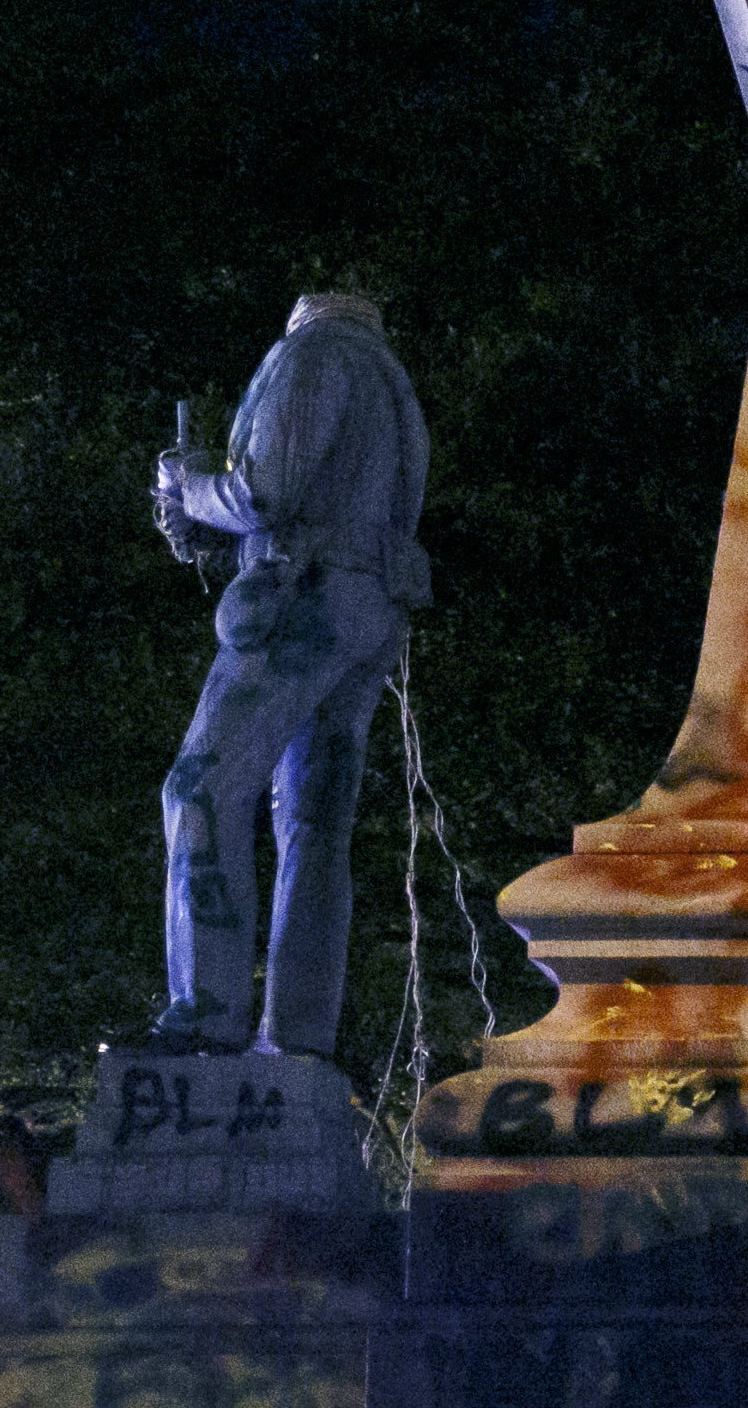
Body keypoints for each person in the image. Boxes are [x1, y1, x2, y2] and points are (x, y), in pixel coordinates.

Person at [147, 293, 430, 1056]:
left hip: (303, 604)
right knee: (313, 821)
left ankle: (204, 1017)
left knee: (201, 788)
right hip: (370, 609)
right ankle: (300, 1036)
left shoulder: (313, 355)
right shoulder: (391, 381)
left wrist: (193, 490)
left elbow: (261, 493)